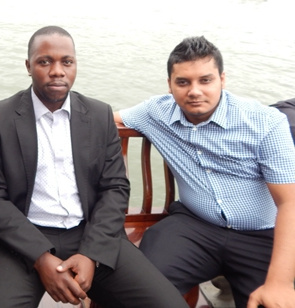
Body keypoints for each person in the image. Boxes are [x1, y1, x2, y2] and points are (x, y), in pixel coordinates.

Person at [0, 26, 188, 308]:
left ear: (75, 65)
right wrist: (41, 257)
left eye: (66, 62)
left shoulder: (98, 114)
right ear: (28, 66)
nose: (57, 70)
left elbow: (115, 187)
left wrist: (91, 254)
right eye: (44, 61)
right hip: (20, 240)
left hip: (90, 232)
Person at [114, 36, 295, 308]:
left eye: (205, 80)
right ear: (170, 85)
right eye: (183, 82)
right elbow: (105, 119)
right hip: (193, 226)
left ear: (222, 79)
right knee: (140, 290)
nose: (194, 91)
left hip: (260, 234)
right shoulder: (156, 111)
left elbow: (289, 202)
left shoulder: (265, 123)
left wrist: (279, 283)